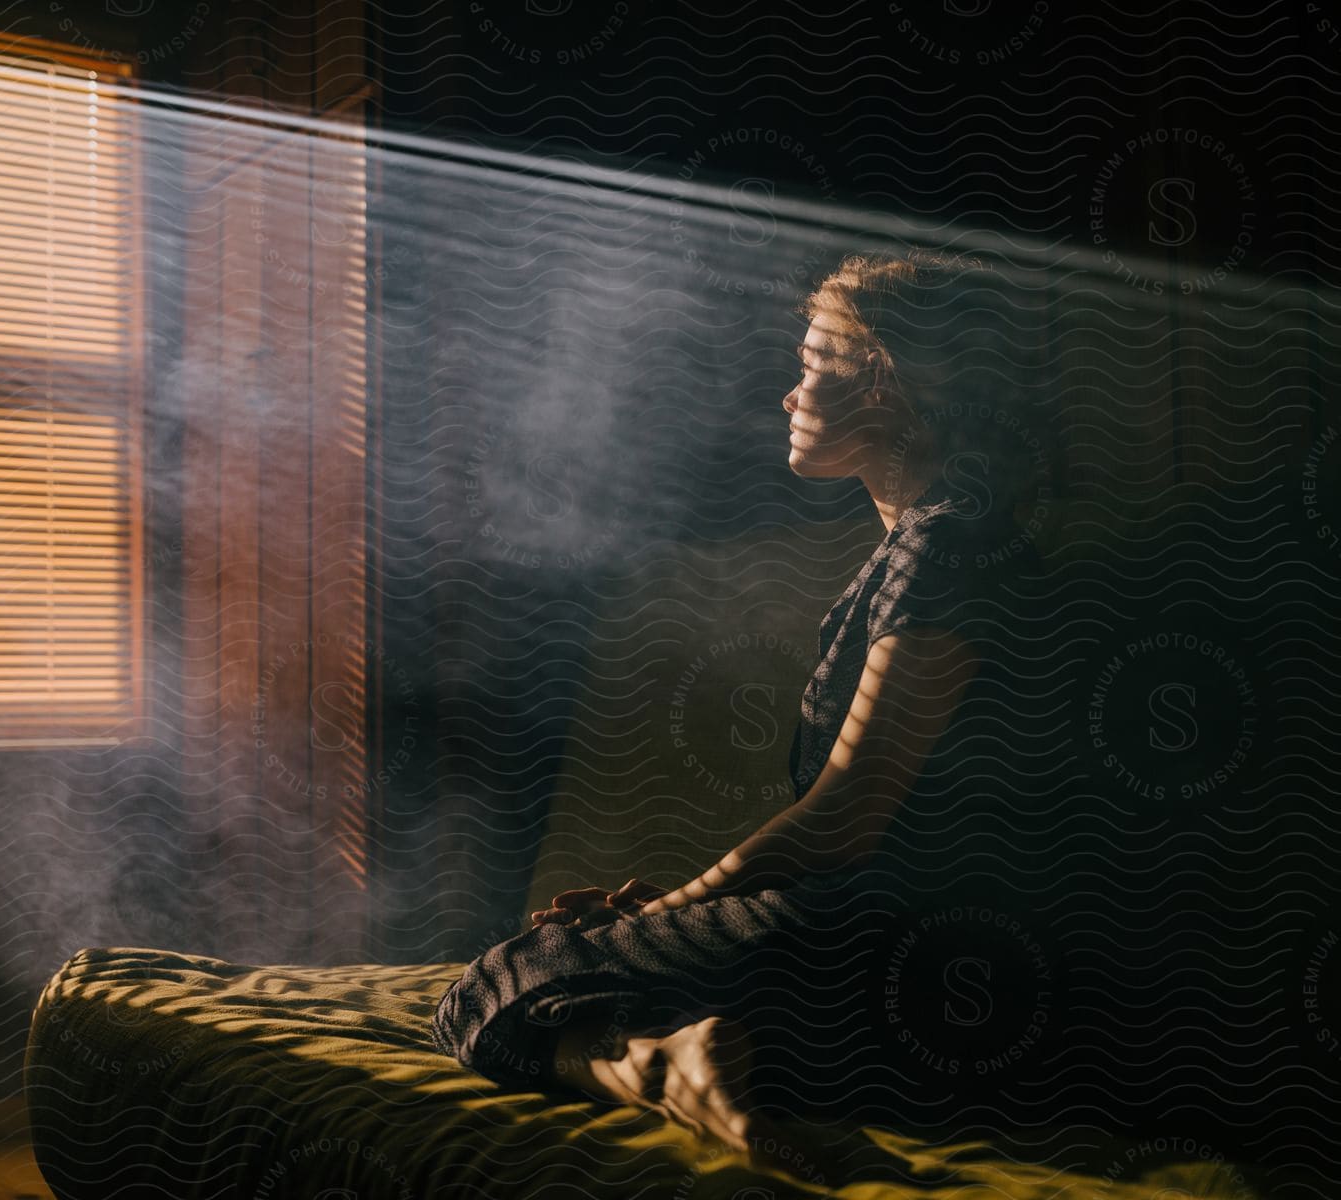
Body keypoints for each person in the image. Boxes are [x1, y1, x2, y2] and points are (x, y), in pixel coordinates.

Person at [431, 250, 1063, 1147]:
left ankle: (652, 1067)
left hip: (913, 946)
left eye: (810, 368)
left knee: (499, 981)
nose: (788, 395)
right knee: (543, 964)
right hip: (903, 946)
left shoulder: (950, 551)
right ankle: (663, 1064)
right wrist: (695, 910)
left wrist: (677, 908)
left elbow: (846, 817)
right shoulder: (929, 549)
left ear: (883, 386)